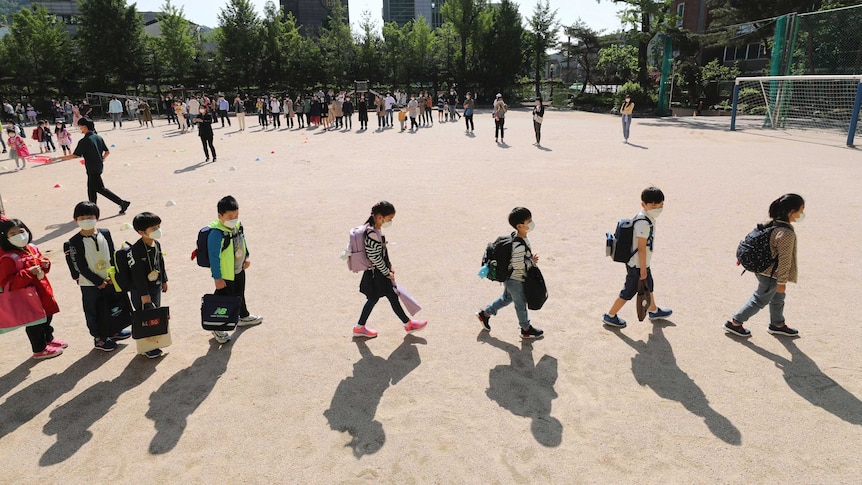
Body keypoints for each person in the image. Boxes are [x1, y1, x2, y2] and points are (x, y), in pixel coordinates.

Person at [724, 194, 805, 338]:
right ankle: (735, 322)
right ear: (791, 212)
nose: (802, 214)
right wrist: (782, 281)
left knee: (778, 297)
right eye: (801, 210)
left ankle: (777, 323)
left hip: (763, 268)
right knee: (760, 299)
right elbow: (785, 260)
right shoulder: (786, 233)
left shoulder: (769, 224)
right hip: (771, 273)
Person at [352, 201, 428, 338]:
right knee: (390, 297)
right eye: (390, 219)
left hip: (375, 273)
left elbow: (381, 253)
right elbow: (375, 257)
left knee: (378, 298)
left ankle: (360, 327)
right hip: (378, 274)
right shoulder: (372, 233)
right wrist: (387, 272)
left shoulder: (373, 229)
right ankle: (407, 324)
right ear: (380, 217)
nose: (390, 221)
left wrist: (390, 266)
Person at [602, 186, 673, 328]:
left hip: (641, 263)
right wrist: (643, 269)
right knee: (629, 291)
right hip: (638, 265)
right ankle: (610, 315)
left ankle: (653, 310)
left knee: (648, 286)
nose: (658, 207)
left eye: (661, 204)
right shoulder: (643, 223)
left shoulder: (646, 217)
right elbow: (641, 248)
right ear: (644, 204)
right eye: (654, 205)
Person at [65, 201, 132, 351]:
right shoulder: (73, 242)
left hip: (110, 279)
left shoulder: (105, 233)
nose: (86, 220)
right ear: (75, 220)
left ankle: (113, 330)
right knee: (94, 309)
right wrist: (97, 281)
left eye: (90, 217)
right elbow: (80, 266)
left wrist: (113, 275)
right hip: (90, 284)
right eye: (82, 218)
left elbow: (113, 254)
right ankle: (99, 338)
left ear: (97, 218)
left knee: (113, 305)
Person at [0, 218, 66, 360]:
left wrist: (45, 264)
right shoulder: (8, 258)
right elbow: (8, 283)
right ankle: (39, 349)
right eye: (13, 234)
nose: (19, 235)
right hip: (28, 297)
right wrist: (29, 273)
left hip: (43, 291)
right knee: (34, 323)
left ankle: (48, 339)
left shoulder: (31, 248)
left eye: (21, 231)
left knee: (47, 316)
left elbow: (41, 265)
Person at [476, 207, 544, 339]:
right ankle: (526, 329)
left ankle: (485, 314)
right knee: (520, 304)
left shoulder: (517, 237)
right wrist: (532, 261)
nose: (531, 223)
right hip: (516, 279)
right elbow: (518, 265)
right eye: (528, 221)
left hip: (510, 278)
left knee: (507, 298)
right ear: (519, 226)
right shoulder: (518, 245)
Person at [207, 195, 263, 344]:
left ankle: (243, 316)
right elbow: (214, 258)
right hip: (225, 275)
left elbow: (243, 241)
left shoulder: (237, 226)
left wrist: (247, 256)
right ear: (220, 216)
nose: (234, 219)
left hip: (239, 269)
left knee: (239, 293)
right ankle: (217, 327)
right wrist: (217, 278)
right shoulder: (216, 234)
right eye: (230, 216)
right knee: (223, 300)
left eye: (236, 215)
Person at [53, 118, 131, 214]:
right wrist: (101, 159)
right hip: (98, 166)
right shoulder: (98, 137)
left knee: (100, 188)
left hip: (92, 168)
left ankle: (122, 202)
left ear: (85, 127)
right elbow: (107, 152)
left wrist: (57, 158)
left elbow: (75, 155)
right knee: (91, 189)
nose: (79, 128)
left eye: (80, 126)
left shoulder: (85, 140)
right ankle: (92, 210)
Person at [129, 212, 169, 358]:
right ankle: (146, 346)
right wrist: (144, 295)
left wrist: (164, 280)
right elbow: (137, 275)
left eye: (158, 226)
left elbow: (161, 263)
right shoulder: (136, 250)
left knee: (155, 314)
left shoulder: (156, 243)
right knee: (144, 317)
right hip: (141, 291)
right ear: (141, 232)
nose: (158, 230)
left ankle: (154, 342)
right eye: (153, 228)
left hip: (155, 286)